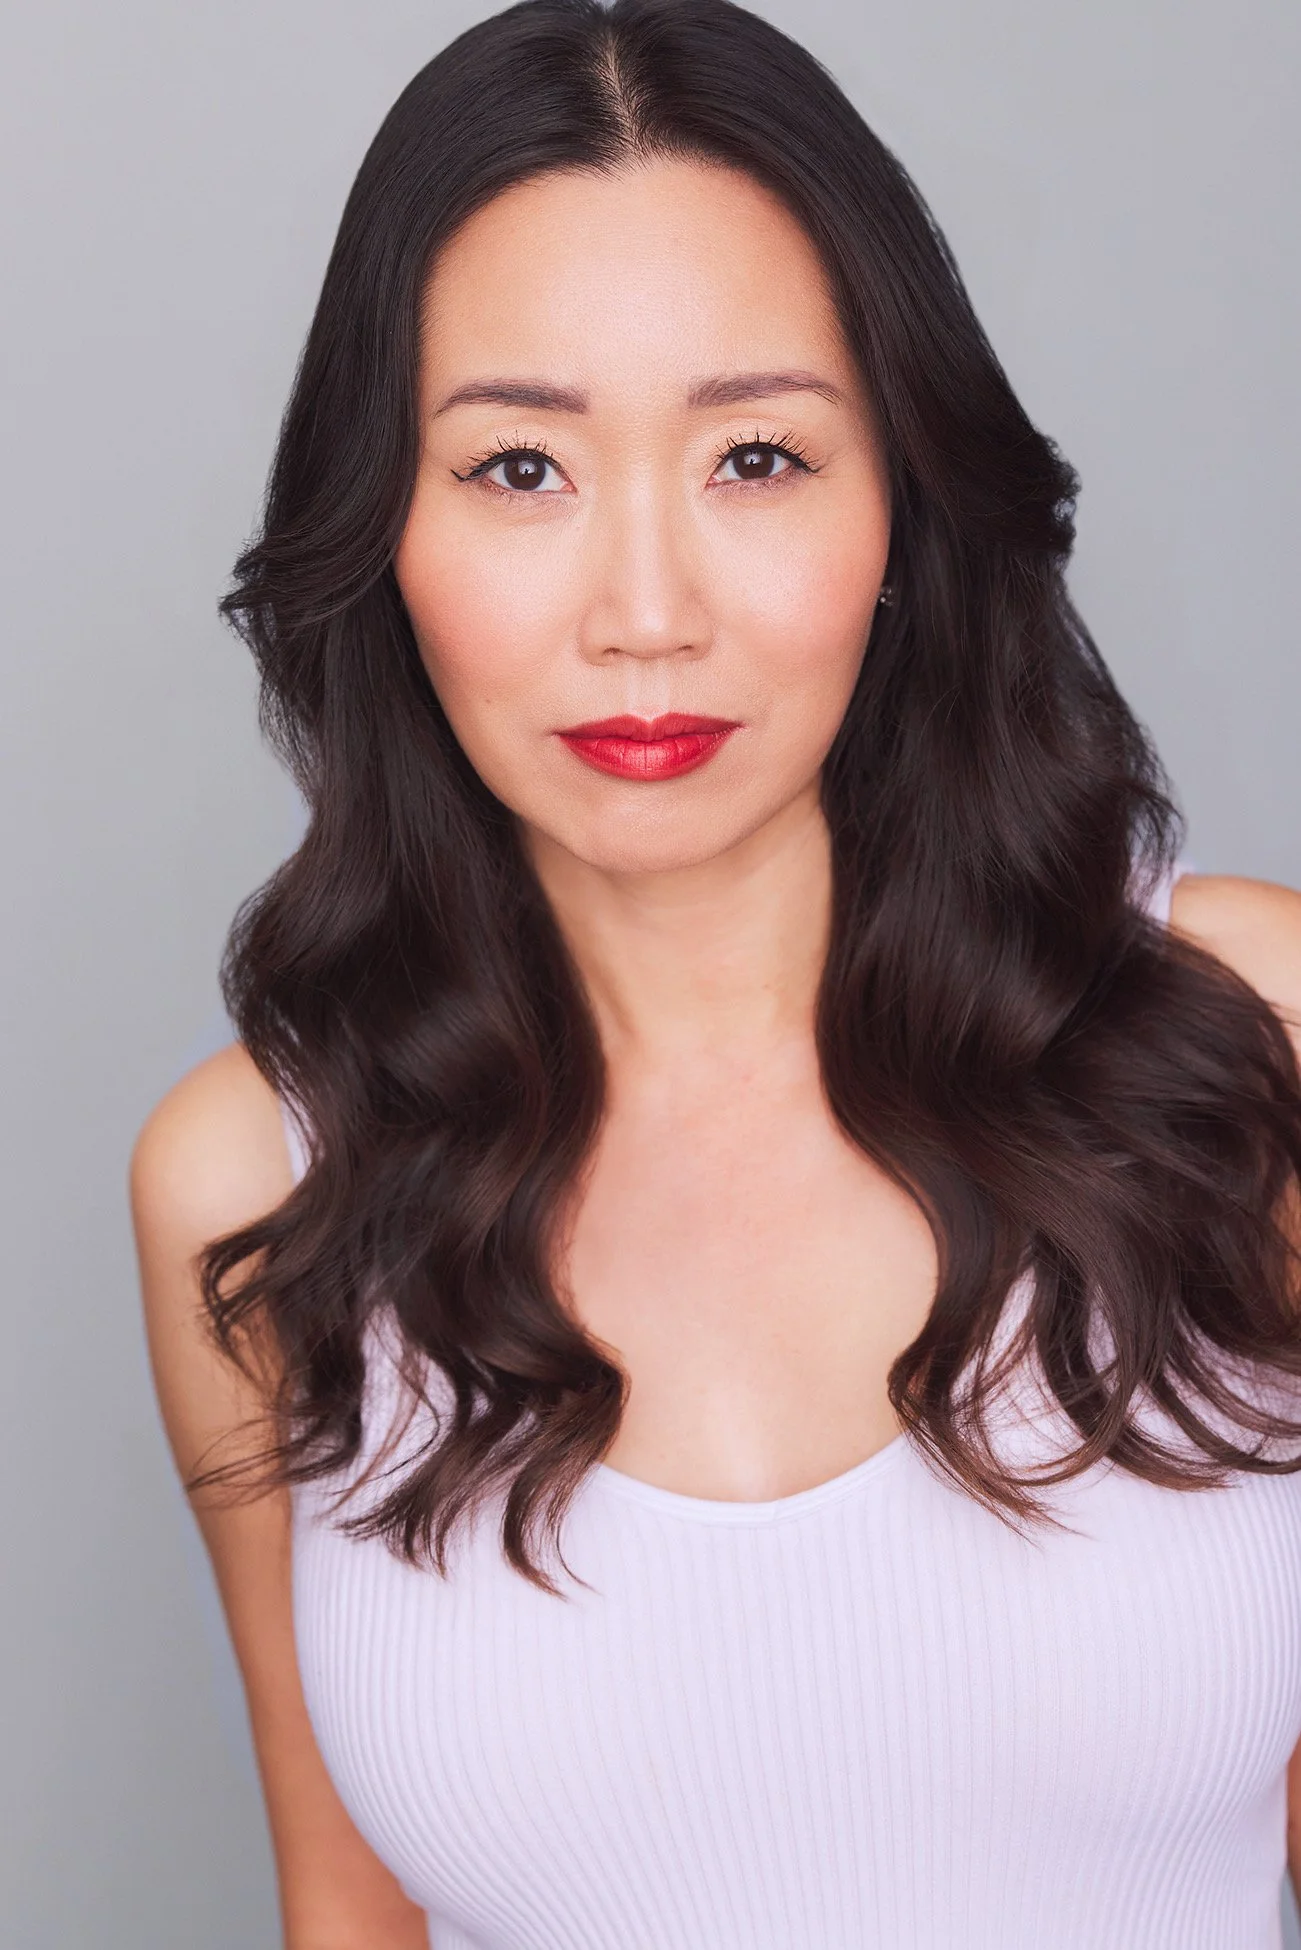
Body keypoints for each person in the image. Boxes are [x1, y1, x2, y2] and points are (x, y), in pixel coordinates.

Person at [129, 1, 1301, 1944]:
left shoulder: (1240, 1038)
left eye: (754, 455)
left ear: (900, 514)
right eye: (520, 471)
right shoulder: (251, 1193)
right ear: (381, 536)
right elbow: (344, 1910)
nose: (645, 615)